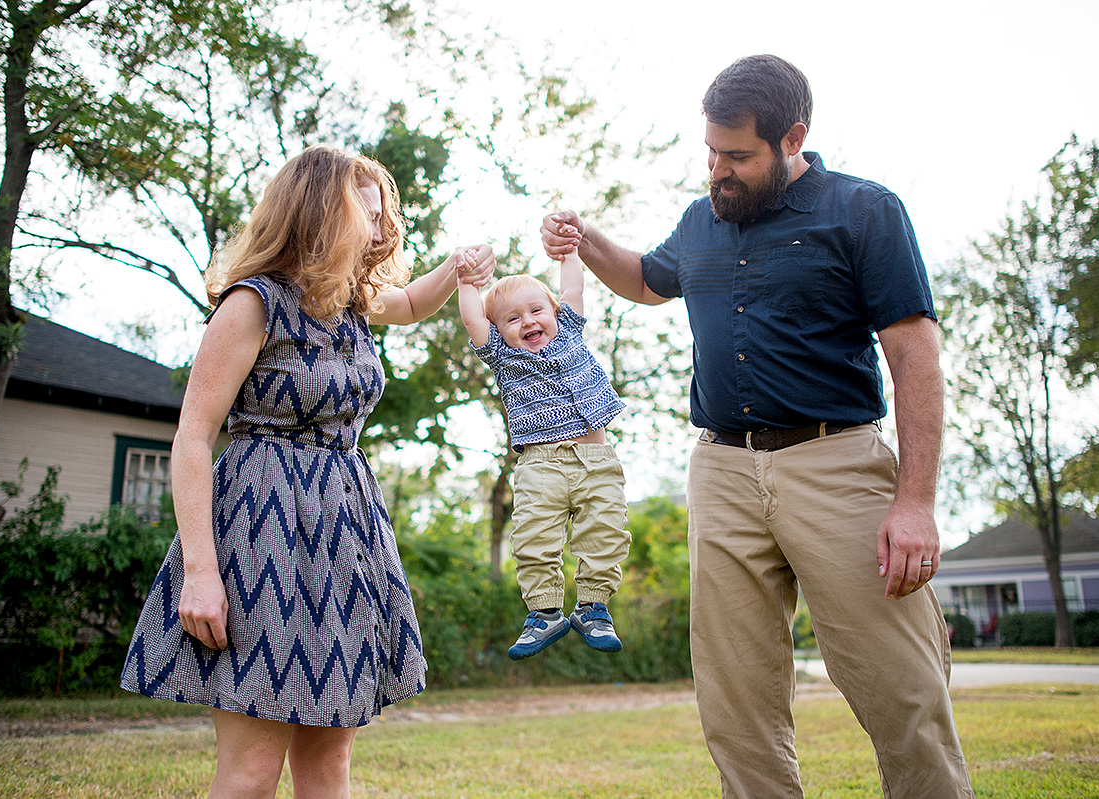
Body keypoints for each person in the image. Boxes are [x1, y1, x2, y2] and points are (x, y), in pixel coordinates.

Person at [541, 55, 973, 798]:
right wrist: (586, 239)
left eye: (737, 154)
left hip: (834, 459)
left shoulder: (864, 210)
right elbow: (648, 279)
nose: (719, 169)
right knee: (736, 694)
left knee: (901, 685)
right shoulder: (703, 217)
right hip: (721, 470)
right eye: (711, 150)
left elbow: (914, 354)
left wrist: (915, 502)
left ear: (793, 136)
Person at [120, 146, 495, 799]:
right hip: (258, 532)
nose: (381, 233)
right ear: (320, 214)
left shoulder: (352, 301)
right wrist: (201, 572)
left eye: (385, 218)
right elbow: (192, 437)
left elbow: (406, 304)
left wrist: (457, 271)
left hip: (345, 533)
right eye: (366, 217)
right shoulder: (253, 303)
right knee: (252, 770)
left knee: (328, 765)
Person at [456, 249, 630, 660]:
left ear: (556, 313)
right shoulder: (503, 355)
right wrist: (467, 284)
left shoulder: (570, 330)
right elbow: (472, 319)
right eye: (512, 319)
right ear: (499, 331)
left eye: (536, 311)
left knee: (605, 531)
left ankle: (593, 607)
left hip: (596, 460)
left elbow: (573, 286)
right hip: (540, 465)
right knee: (533, 538)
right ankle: (544, 612)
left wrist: (569, 253)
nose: (528, 322)